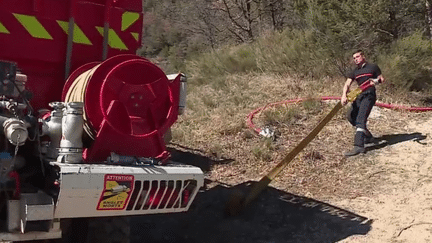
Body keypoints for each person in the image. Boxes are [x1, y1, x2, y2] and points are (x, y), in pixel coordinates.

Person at [341, 50, 384, 157]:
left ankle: (359, 146)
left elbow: (381, 79)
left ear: (363, 56)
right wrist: (344, 95)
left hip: (369, 95)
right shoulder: (355, 71)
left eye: (358, 56)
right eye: (354, 58)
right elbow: (347, 84)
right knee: (351, 116)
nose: (356, 59)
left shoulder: (373, 67)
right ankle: (368, 137)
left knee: (361, 119)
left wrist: (375, 81)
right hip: (359, 96)